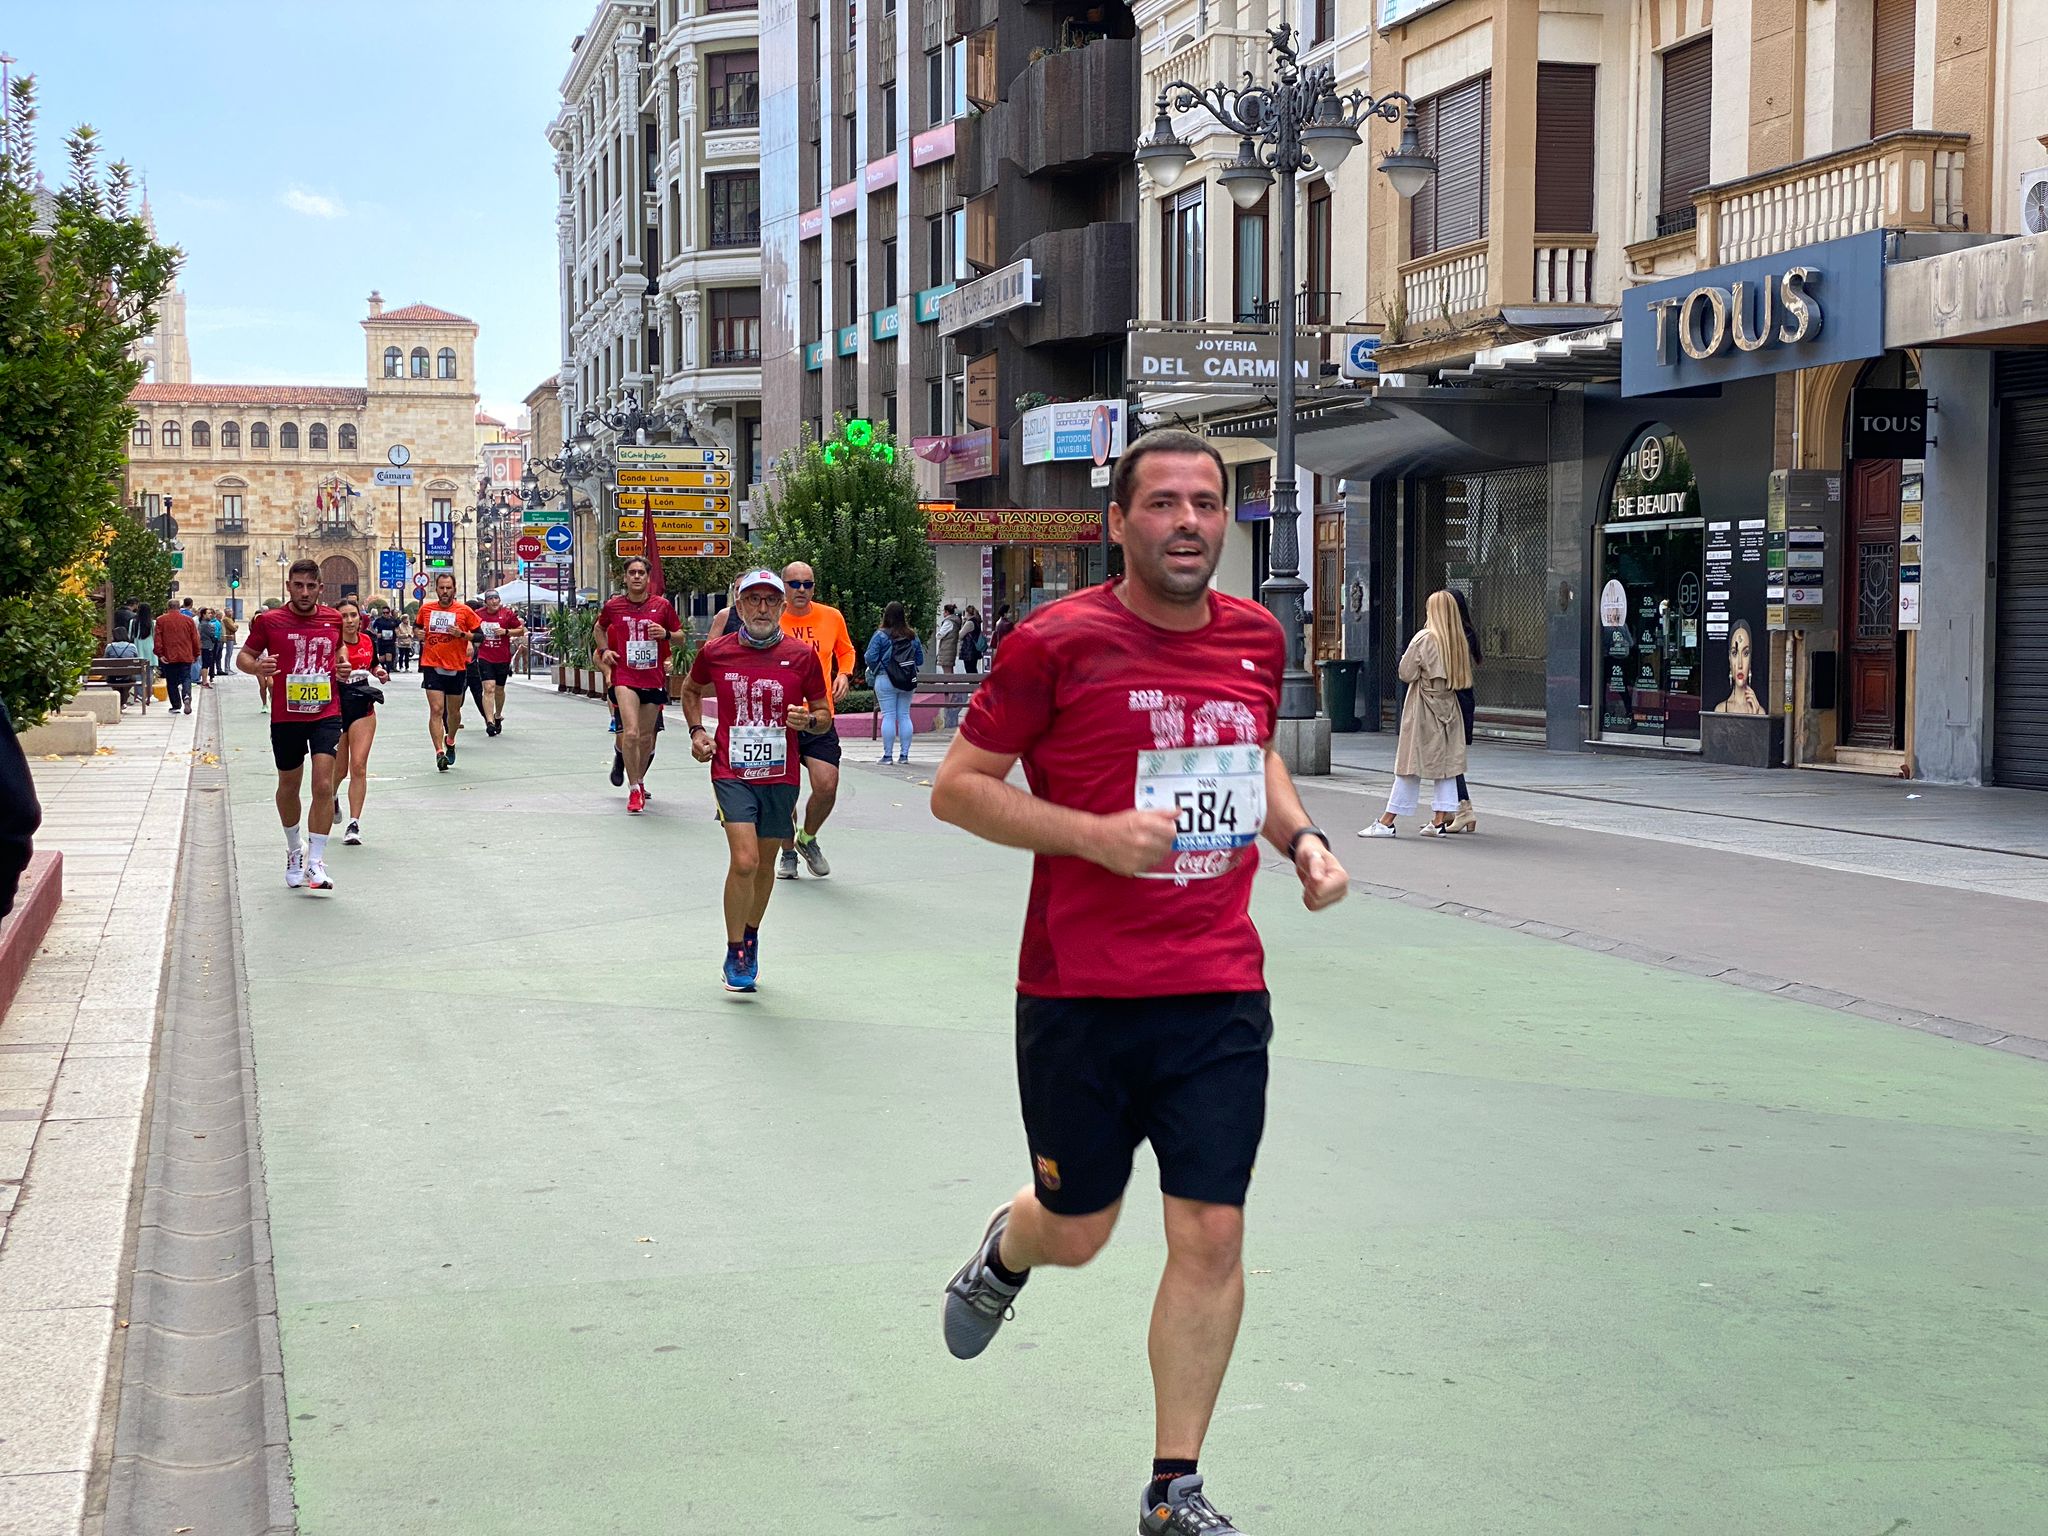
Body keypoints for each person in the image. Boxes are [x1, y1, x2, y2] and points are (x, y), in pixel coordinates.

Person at [929, 428, 1349, 1536]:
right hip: (1077, 997)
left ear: (1227, 519)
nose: (1185, 522)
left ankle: (1174, 1489)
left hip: (1215, 993)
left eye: (1204, 504)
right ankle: (1006, 1248)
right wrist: (1091, 836)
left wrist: (1299, 840)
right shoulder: (1053, 644)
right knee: (1079, 1227)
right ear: (1117, 522)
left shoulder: (1256, 638)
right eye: (1160, 503)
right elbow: (959, 788)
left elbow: (1247, 751)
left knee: (1210, 1230)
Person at [679, 568, 828, 992]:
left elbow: (822, 714)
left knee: (763, 864)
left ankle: (750, 935)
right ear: (739, 606)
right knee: (744, 860)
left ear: (783, 607)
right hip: (731, 771)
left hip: (781, 774)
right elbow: (690, 690)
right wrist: (697, 732)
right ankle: (733, 948)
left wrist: (809, 719)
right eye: (753, 600)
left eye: (770, 600)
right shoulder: (717, 651)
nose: (762, 608)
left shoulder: (802, 656)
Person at [237, 559, 350, 891]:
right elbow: (243, 656)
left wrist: (341, 663)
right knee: (288, 785)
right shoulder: (269, 622)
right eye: (298, 585)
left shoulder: (333, 618)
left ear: (320, 588)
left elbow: (339, 645)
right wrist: (258, 666)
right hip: (286, 715)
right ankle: (294, 849)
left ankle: (316, 862)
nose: (304, 592)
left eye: (310, 586)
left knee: (324, 786)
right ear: (288, 586)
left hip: (326, 712)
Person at [1362, 589, 1472, 838]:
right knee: (1445, 767)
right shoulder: (1457, 642)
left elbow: (1406, 672)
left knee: (1410, 765)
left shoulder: (1424, 638)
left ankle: (1387, 821)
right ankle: (1439, 821)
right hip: (1449, 708)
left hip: (1423, 707)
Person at [774, 561, 856, 879]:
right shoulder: (772, 618)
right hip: (779, 719)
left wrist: (845, 674)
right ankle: (788, 852)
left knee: (827, 786)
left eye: (807, 584)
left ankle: (807, 838)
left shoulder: (831, 616)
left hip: (819, 716)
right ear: (784, 586)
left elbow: (845, 650)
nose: (802, 590)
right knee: (784, 793)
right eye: (795, 584)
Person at [595, 555, 681, 813]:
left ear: (647, 577)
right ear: (625, 577)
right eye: (631, 572)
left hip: (652, 678)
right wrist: (605, 651)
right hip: (625, 676)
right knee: (630, 733)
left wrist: (665, 634)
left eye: (640, 573)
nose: (636, 577)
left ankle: (640, 780)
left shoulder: (662, 606)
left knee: (646, 739)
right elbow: (599, 629)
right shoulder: (614, 606)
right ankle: (633, 789)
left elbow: (680, 637)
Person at [333, 597, 389, 845]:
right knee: (339, 769)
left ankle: (354, 824)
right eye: (344, 616)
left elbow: (373, 662)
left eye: (353, 615)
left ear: (360, 617)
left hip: (362, 704)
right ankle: (332, 796)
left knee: (359, 766)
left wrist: (379, 672)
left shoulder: (368, 639)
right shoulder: (331, 644)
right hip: (335, 706)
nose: (349, 620)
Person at [415, 573, 482, 771]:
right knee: (436, 710)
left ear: (454, 588)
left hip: (457, 667)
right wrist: (417, 634)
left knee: (454, 712)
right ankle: (439, 752)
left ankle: (450, 739)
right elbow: (417, 628)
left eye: (448, 588)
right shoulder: (426, 609)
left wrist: (461, 634)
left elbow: (480, 637)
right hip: (432, 665)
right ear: (436, 589)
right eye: (441, 588)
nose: (445, 592)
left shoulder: (465, 611)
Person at [864, 601, 924, 764]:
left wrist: (879, 667)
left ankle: (888, 756)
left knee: (888, 716)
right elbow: (919, 660)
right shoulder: (912, 635)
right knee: (904, 715)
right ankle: (904, 755)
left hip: (885, 679)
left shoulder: (880, 635)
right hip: (907, 680)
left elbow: (869, 657)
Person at [1446, 588, 1482, 835]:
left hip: (1457, 699)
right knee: (1447, 757)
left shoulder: (1460, 635)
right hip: (1461, 698)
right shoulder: (1463, 633)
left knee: (1450, 757)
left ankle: (1463, 809)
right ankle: (1449, 809)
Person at [473, 589, 525, 736]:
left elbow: (521, 630)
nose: (494, 601)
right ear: (486, 602)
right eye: (491, 599)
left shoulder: (507, 613)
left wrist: (506, 632)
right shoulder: (478, 615)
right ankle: (489, 722)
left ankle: (497, 716)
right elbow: (471, 630)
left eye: (496, 598)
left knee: (499, 690)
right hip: (485, 656)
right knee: (489, 688)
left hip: (502, 657)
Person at [153, 597, 199, 715]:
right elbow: (195, 638)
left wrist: (160, 653)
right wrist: (196, 653)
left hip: (169, 655)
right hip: (186, 654)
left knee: (172, 680)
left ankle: (176, 705)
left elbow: (158, 638)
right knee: (186, 677)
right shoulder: (189, 620)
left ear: (168, 608)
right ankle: (187, 695)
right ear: (179, 607)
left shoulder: (161, 620)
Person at [1715, 619, 1766, 717]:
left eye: (1745, 653)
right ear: (1730, 659)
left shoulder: (1759, 711)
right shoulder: (1720, 710)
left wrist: (1755, 718)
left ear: (1750, 659)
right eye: (1735, 653)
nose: (1740, 664)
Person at [369, 605, 399, 673]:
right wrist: (376, 634)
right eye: (384, 613)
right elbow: (372, 628)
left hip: (390, 642)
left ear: (389, 613)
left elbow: (398, 627)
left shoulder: (393, 620)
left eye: (387, 612)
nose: (385, 614)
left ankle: (387, 673)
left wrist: (397, 633)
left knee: (389, 657)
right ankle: (383, 667)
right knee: (382, 659)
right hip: (382, 642)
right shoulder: (379, 620)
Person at [200, 608, 223, 685]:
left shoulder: (205, 623)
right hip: (207, 645)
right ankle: (204, 681)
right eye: (208, 613)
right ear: (203, 614)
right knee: (206, 664)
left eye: (211, 613)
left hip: (207, 645)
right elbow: (212, 635)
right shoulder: (206, 624)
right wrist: (215, 638)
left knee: (206, 663)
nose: (210, 615)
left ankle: (205, 680)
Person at [959, 606, 985, 673]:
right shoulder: (976, 621)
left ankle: (973, 683)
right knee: (973, 669)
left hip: (969, 650)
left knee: (970, 670)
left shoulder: (969, 623)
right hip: (974, 649)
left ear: (967, 613)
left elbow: (960, 636)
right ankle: (974, 683)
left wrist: (963, 622)